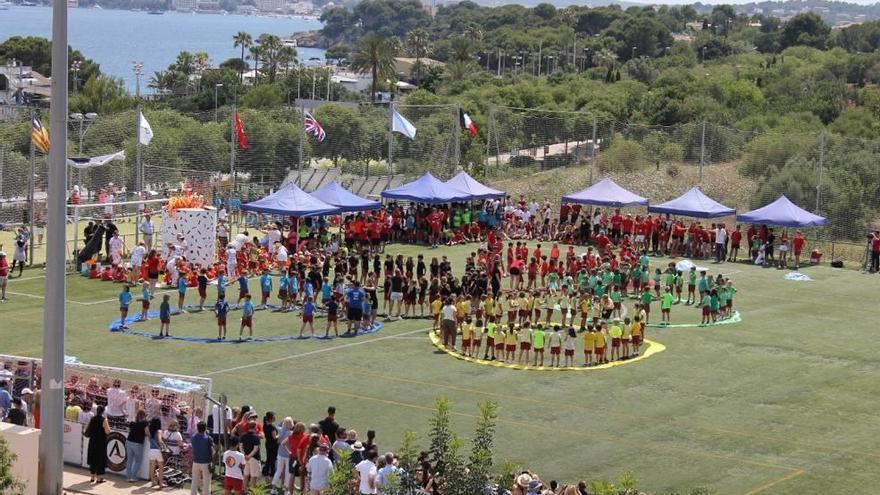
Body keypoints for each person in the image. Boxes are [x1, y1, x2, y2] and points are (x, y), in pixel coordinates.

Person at [85, 405, 111, 483]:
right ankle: (99, 478)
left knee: (93, 459)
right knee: (100, 459)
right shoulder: (104, 420)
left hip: (92, 441)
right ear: (103, 411)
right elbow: (107, 431)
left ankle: (92, 477)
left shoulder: (92, 418)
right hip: (100, 442)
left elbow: (87, 428)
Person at [125, 410, 149, 482]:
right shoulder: (145, 423)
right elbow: (147, 432)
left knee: (129, 461)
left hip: (129, 441)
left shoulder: (132, 423)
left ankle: (128, 477)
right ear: (144, 416)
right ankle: (133, 477)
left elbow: (129, 430)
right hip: (137, 443)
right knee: (138, 461)